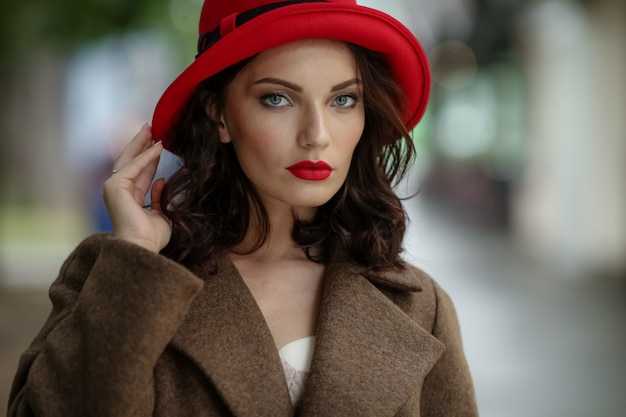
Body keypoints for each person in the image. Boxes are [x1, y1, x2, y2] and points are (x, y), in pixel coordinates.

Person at [8, 0, 478, 416]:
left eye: (342, 99)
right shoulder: (120, 275)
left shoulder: (419, 305)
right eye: (277, 98)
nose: (316, 133)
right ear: (218, 114)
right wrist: (135, 259)